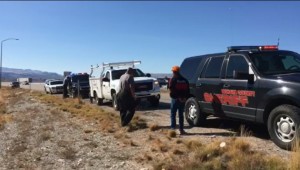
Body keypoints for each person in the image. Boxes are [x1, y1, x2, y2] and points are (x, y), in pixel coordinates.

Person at [169, 65, 190, 134]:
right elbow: (187, 90)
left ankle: (173, 129)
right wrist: (184, 98)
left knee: (173, 114)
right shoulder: (185, 80)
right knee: (181, 115)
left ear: (174, 72)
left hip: (175, 99)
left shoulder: (173, 80)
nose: (173, 73)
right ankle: (181, 130)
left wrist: (178, 97)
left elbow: (172, 90)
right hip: (182, 100)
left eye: (173, 71)